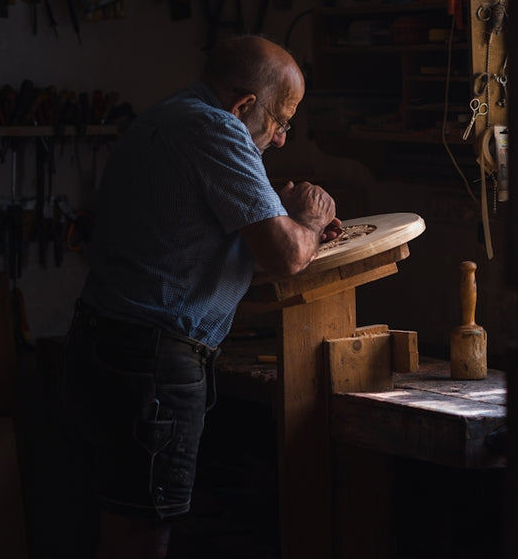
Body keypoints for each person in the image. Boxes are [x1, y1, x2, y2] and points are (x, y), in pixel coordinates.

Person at [63, 34, 342, 559]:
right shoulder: (216, 127)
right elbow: (285, 255)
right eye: (281, 121)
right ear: (243, 105)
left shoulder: (165, 117)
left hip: (110, 345)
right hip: (150, 362)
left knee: (116, 521)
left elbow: (196, 226)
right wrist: (308, 217)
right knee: (142, 534)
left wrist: (271, 207)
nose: (282, 138)